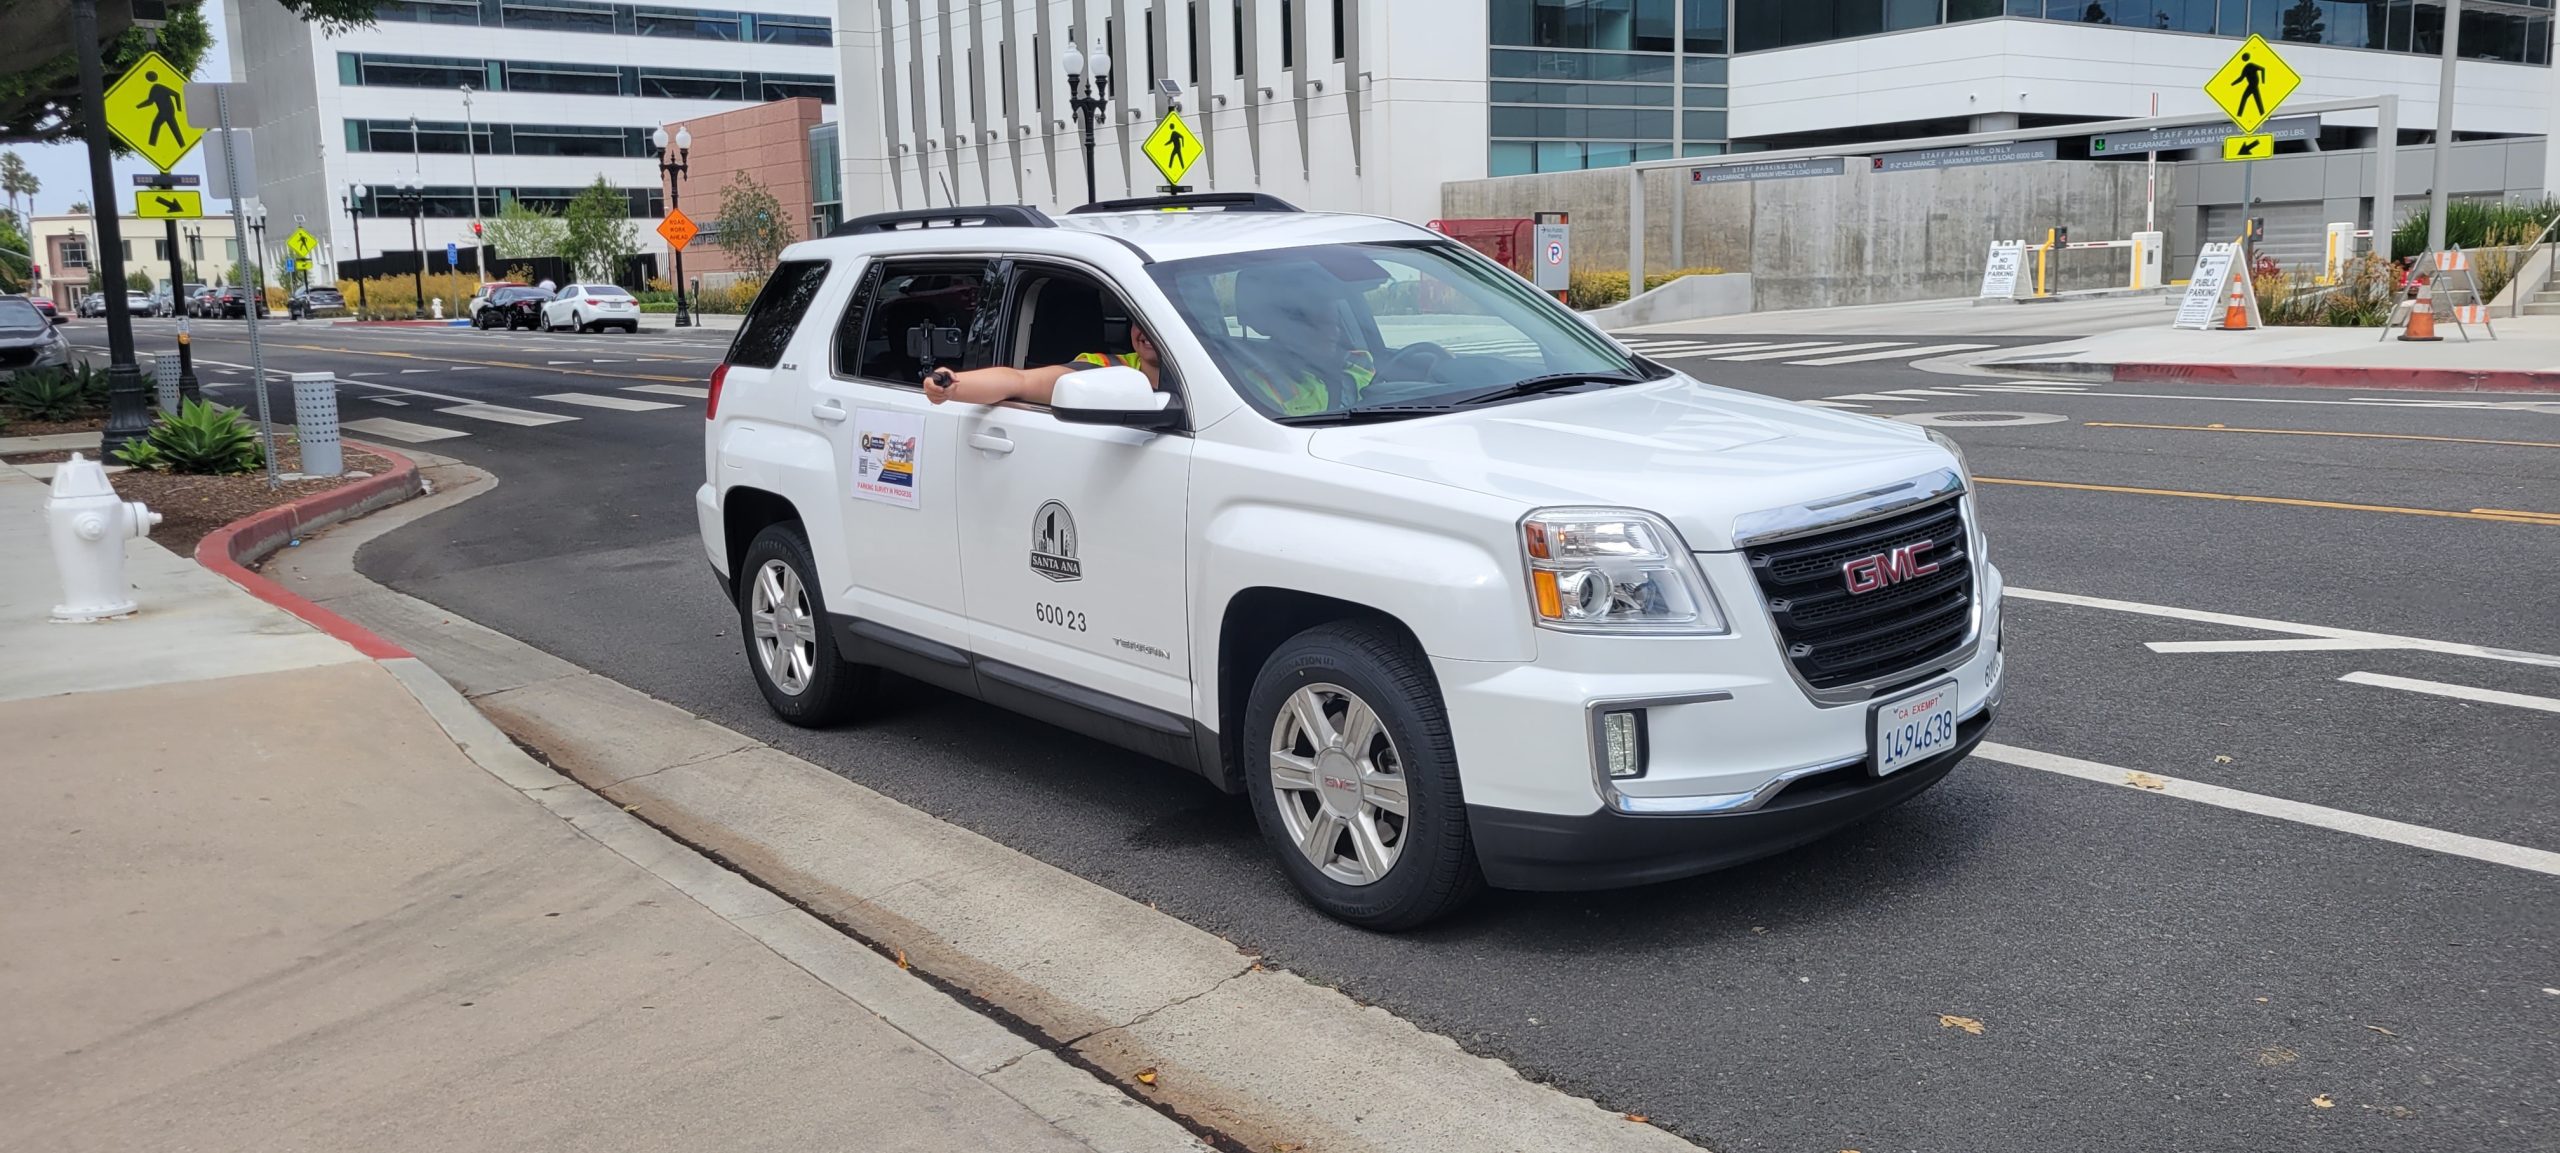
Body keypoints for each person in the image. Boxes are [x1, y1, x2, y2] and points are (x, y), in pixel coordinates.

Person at [922, 323, 1165, 405]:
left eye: (1159, 324)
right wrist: (951, 385)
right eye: (1141, 321)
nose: (1147, 332)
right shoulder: (1105, 368)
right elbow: (1021, 381)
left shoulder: (1201, 376)